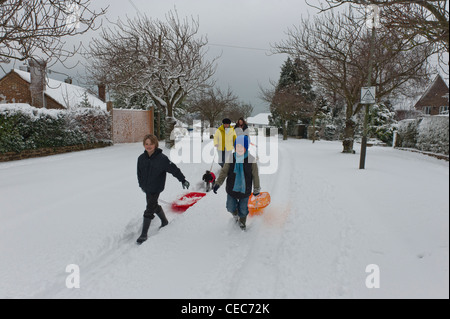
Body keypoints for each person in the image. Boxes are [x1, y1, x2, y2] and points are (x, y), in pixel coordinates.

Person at [136, 134, 190, 244]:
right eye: (146, 144)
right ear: (144, 145)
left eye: (151, 144)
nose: (149, 146)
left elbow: (174, 169)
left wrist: (182, 179)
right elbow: (139, 173)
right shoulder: (141, 159)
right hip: (146, 187)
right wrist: (141, 185)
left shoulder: (162, 159)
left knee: (149, 208)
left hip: (156, 187)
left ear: (155, 144)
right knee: (153, 205)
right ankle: (164, 221)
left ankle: (144, 233)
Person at [213, 135, 261, 230]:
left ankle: (242, 222)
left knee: (243, 209)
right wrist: (218, 183)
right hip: (232, 189)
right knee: (230, 207)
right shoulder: (231, 157)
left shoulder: (251, 160)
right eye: (237, 146)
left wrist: (256, 188)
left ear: (246, 147)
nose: (239, 148)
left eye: (241, 146)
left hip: (244, 190)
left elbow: (255, 175)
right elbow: (224, 171)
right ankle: (235, 216)